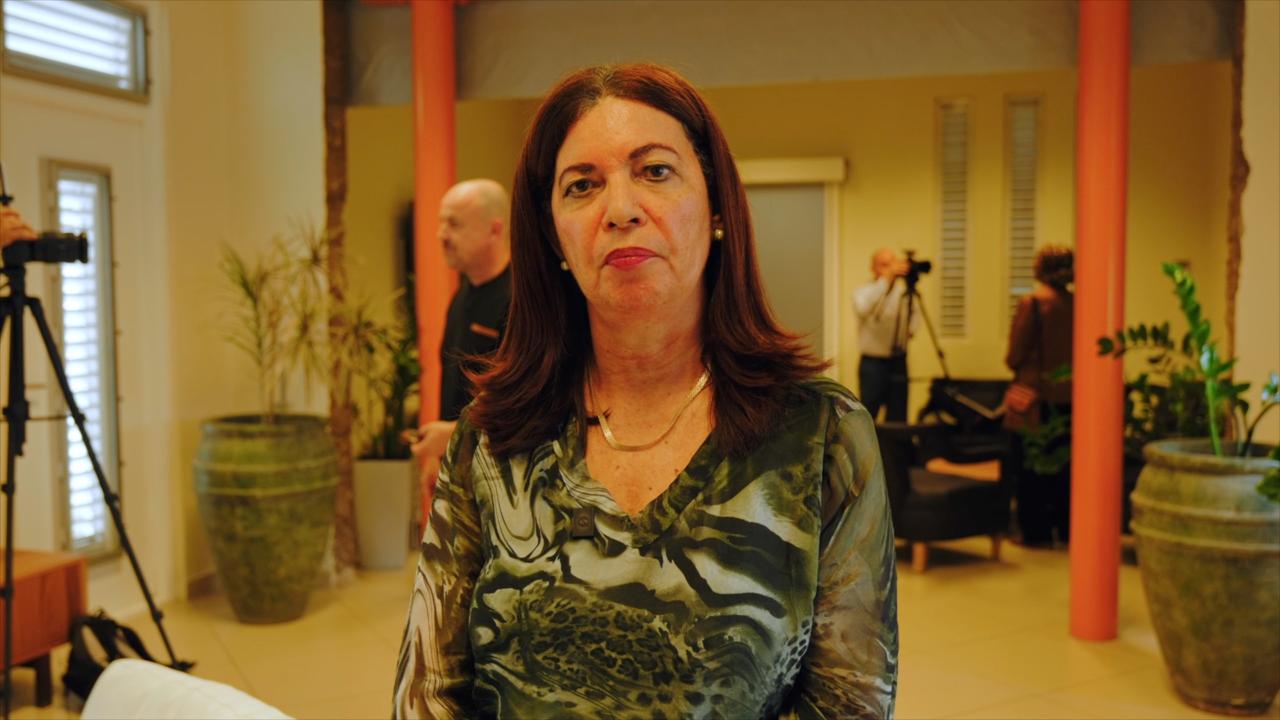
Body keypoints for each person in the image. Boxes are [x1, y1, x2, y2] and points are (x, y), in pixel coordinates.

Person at [393, 64, 897, 719]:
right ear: (552, 235)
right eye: (582, 186)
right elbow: (427, 690)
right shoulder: (491, 441)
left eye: (655, 171)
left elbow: (849, 700)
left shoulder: (819, 433)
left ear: (716, 208)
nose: (621, 210)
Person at [408, 179, 512, 493]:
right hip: (462, 472)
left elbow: (527, 402)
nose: (441, 235)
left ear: (494, 230)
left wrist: (452, 434)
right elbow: (454, 386)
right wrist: (440, 455)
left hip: (505, 480)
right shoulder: (461, 297)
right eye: (441, 224)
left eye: (454, 225)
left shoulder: (521, 299)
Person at [1004, 245, 1074, 546]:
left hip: (1033, 398)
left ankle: (1035, 532)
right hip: (1069, 396)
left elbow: (1014, 356)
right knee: (1065, 468)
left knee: (1030, 466)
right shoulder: (1077, 304)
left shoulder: (1032, 303)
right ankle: (1065, 529)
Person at [852, 248, 918, 421]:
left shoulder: (903, 293)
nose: (890, 269)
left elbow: (914, 315)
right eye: (884, 265)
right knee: (868, 415)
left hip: (898, 361)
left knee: (898, 416)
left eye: (892, 264)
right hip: (872, 363)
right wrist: (885, 281)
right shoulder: (863, 292)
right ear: (873, 268)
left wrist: (911, 329)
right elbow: (863, 309)